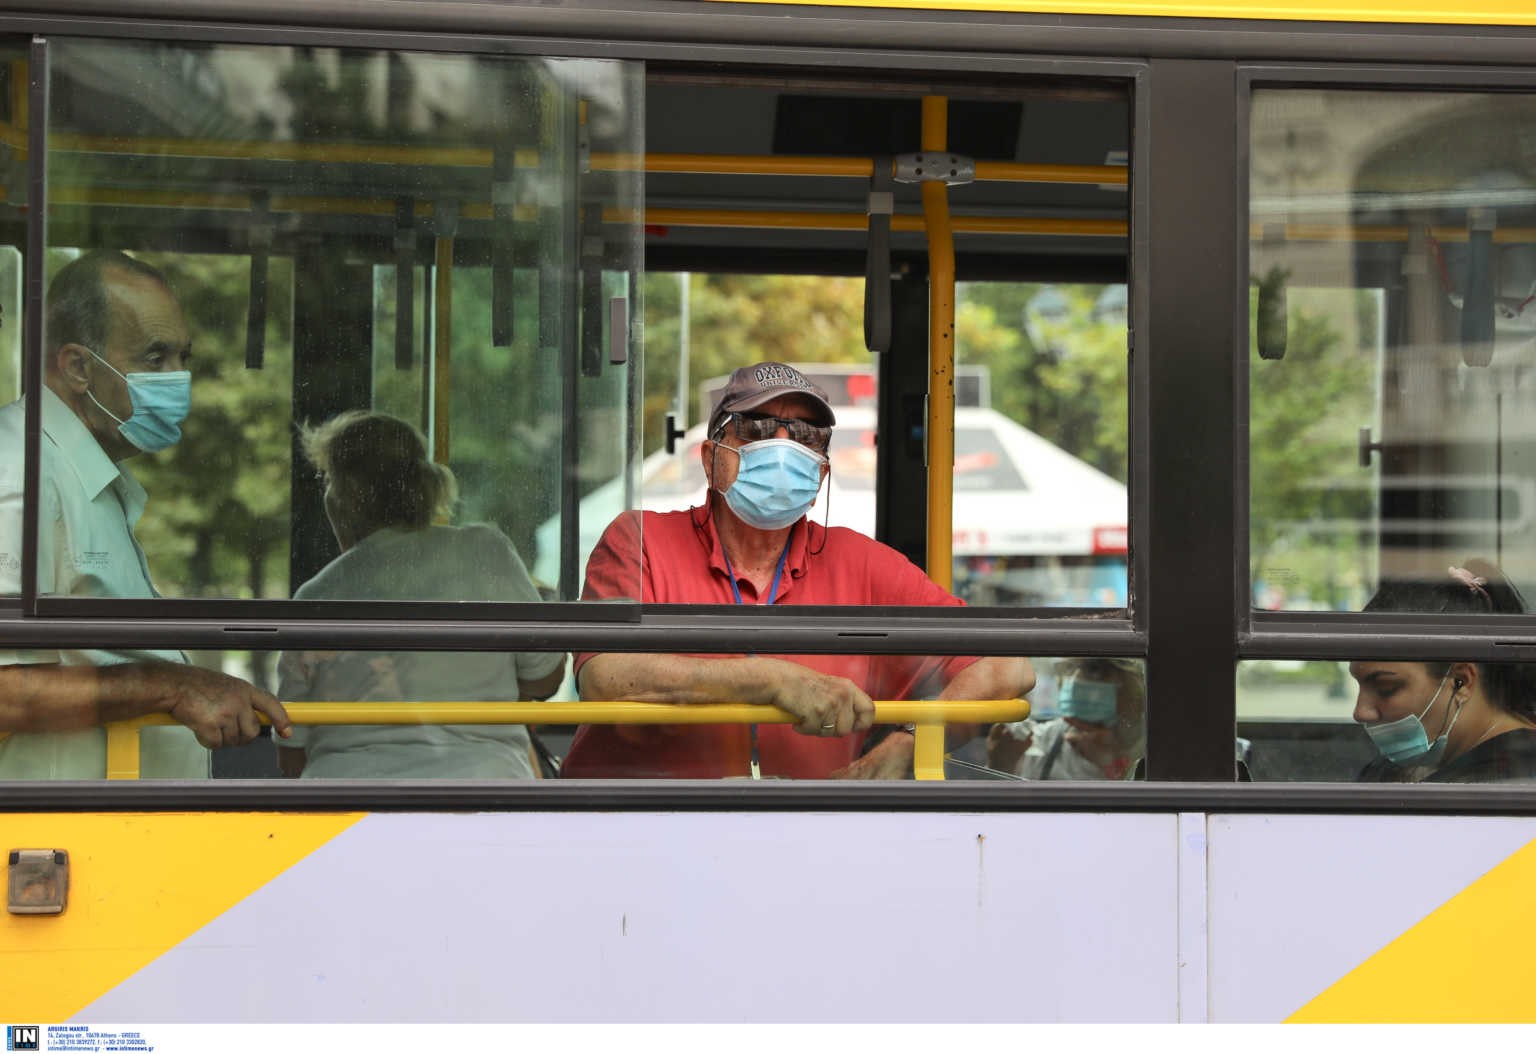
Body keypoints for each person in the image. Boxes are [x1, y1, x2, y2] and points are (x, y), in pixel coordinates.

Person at [561, 361, 1032, 779]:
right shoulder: (640, 539)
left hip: (799, 839)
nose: (783, 447)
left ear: (821, 472)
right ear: (711, 458)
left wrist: (910, 742)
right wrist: (772, 680)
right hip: (630, 830)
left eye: (807, 435)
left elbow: (1007, 665)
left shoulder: (863, 564)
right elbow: (605, 676)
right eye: (758, 429)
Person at [0, 249, 290, 778]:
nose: (179, 381)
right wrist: (175, 685)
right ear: (78, 367)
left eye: (184, 358)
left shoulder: (85, 477)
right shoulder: (17, 478)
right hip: (59, 844)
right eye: (155, 359)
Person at [275, 411, 565, 778]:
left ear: (344, 499)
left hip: (345, 799)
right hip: (485, 789)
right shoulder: (485, 551)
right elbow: (547, 677)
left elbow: (291, 753)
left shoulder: (315, 596)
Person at [1353, 561, 1536, 783]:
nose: (1360, 712)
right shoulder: (1431, 765)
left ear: (1461, 681)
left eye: (1386, 688)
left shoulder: (1506, 781)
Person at [987, 657, 1144, 780]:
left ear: (1129, 684)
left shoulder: (1148, 745)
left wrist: (1104, 759)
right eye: (1071, 668)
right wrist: (1000, 765)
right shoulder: (1037, 739)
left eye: (1093, 669)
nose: (1075, 679)